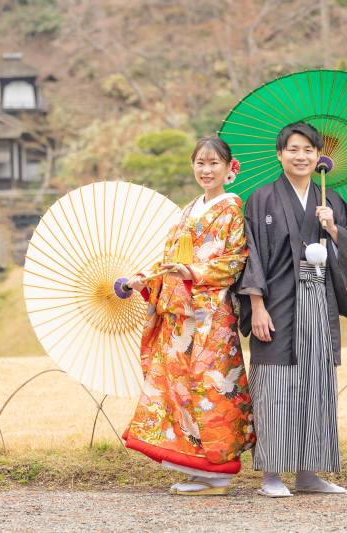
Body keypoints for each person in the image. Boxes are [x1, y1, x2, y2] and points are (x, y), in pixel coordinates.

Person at [122, 136, 255, 496]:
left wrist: (193, 273)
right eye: (200, 163)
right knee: (179, 388)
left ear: (230, 168)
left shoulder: (232, 208)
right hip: (179, 315)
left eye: (214, 163)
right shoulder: (189, 209)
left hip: (210, 315)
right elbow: (169, 258)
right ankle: (198, 469)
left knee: (210, 386)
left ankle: (218, 472)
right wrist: (144, 279)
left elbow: (234, 261)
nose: (206, 170)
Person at [238, 122, 347, 497]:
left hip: (318, 301)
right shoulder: (261, 199)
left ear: (319, 155)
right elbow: (250, 255)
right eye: (293, 149)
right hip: (275, 301)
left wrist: (334, 228)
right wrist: (256, 306)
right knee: (275, 385)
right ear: (280, 154)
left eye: (309, 149)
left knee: (317, 383)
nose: (301, 156)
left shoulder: (332, 201)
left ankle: (309, 473)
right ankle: (272, 475)